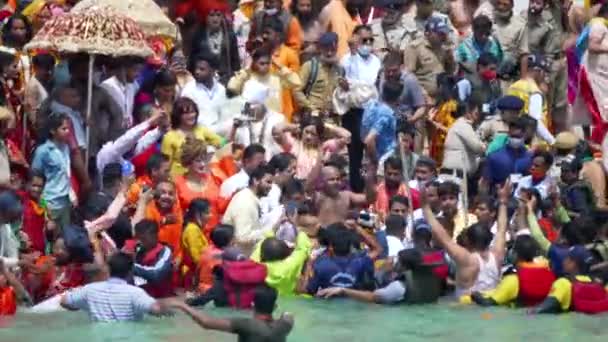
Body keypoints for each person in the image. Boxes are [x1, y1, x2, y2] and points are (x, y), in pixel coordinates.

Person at [423, 181, 510, 300]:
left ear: (468, 241)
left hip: (466, 310)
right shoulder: (497, 255)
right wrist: (503, 202)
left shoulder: (466, 260)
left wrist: (425, 208)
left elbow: (444, 238)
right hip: (490, 309)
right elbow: (501, 229)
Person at [60, 252, 171, 321]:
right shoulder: (136, 293)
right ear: (130, 272)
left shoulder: (90, 290)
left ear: (109, 269)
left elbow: (64, 301)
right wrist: (178, 305)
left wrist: (83, 305)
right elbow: (157, 309)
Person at [317, 248, 442, 304]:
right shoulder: (431, 279)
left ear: (404, 266)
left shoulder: (399, 287)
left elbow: (372, 297)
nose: (395, 261)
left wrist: (343, 290)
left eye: (398, 260)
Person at [167, 285, 294, 341]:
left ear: (253, 304)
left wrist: (182, 305)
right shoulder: (283, 326)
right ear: (275, 306)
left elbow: (205, 322)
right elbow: (288, 315)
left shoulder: (246, 325)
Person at [471, 235, 556, 307]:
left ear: (515, 254)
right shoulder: (551, 276)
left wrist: (475, 295)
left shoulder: (513, 280)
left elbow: (488, 303)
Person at [529, 245, 608, 314]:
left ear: (573, 264)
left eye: (566, 258)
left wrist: (529, 312)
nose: (563, 261)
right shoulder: (600, 284)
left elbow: (544, 308)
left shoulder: (563, 283)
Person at [305, 222, 380, 293]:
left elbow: (308, 290)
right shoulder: (361, 262)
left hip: (328, 304)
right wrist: (357, 228)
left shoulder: (320, 265)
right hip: (354, 304)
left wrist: (308, 265)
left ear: (331, 247)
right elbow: (377, 249)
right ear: (350, 245)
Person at [228, 47, 301, 119]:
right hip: (251, 120)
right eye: (262, 63)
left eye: (268, 63)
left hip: (274, 121)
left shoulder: (276, 78)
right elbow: (232, 87)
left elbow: (296, 82)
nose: (265, 66)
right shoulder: (247, 78)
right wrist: (246, 69)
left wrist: (281, 66)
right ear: (254, 63)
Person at [307, 155, 377, 226]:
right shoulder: (318, 197)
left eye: (338, 179)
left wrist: (369, 179)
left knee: (374, 221)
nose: (336, 182)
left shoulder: (346, 195)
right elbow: (309, 186)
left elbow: (370, 199)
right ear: (323, 182)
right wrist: (319, 161)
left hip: (344, 233)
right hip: (324, 235)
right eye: (332, 179)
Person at [161, 97, 223, 176]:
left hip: (201, 173)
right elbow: (165, 165)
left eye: (193, 112)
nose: (191, 116)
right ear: (178, 116)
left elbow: (221, 142)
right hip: (179, 178)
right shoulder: (169, 137)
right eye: (186, 113)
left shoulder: (201, 129)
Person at [250, 217, 313, 295]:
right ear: (285, 255)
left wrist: (276, 225)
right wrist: (296, 227)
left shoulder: (254, 265)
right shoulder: (289, 266)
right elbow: (302, 248)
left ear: (261, 254)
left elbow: (263, 241)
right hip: (288, 302)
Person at [31, 113, 73, 228]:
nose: (67, 131)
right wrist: (42, 202)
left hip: (65, 201)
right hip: (50, 201)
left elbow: (66, 174)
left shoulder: (66, 148)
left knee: (64, 238)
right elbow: (35, 178)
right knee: (48, 235)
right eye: (63, 129)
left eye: (68, 128)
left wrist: (72, 194)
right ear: (53, 131)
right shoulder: (43, 151)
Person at [222, 165, 274, 255]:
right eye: (268, 182)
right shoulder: (244, 201)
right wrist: (267, 232)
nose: (270, 186)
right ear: (255, 181)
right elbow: (242, 237)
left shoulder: (249, 198)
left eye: (271, 183)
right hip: (236, 260)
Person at [279, 114, 350, 180]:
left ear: (319, 135)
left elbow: (347, 136)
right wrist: (298, 126)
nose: (308, 137)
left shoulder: (324, 147)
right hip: (295, 186)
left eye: (313, 134)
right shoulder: (293, 144)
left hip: (315, 188)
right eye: (306, 132)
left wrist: (324, 126)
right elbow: (277, 130)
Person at [507, 53, 555, 145]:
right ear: (538, 71)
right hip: (532, 143)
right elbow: (536, 122)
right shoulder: (534, 91)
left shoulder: (514, 86)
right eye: (544, 72)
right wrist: (551, 141)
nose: (544, 76)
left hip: (514, 138)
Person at [230, 80, 286, 158]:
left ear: (261, 104)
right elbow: (229, 146)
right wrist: (234, 127)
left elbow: (283, 148)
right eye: (247, 104)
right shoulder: (239, 120)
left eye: (252, 105)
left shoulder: (277, 119)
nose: (249, 108)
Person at [403, 16, 455, 100]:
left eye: (444, 34)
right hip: (422, 99)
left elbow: (450, 71)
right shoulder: (415, 47)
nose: (443, 36)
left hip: (441, 97)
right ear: (428, 33)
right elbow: (409, 76)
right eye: (440, 34)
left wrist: (450, 58)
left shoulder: (443, 47)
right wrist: (425, 95)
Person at [293, 32, 343, 116]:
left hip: (333, 118)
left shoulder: (340, 70)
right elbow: (297, 90)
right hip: (312, 117)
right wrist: (311, 107)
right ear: (320, 49)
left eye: (332, 50)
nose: (329, 53)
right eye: (326, 50)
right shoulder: (310, 66)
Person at [190, 4, 241, 85]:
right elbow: (192, 60)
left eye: (218, 15)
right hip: (204, 80)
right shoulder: (198, 35)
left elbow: (235, 61)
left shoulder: (229, 35)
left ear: (222, 17)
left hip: (226, 80)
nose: (215, 18)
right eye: (211, 15)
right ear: (205, 17)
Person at [180, 52, 228, 134]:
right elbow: (185, 118)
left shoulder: (221, 89)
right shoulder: (189, 89)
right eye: (196, 69)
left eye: (202, 69)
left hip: (219, 129)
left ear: (213, 71)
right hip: (198, 131)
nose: (197, 72)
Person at [440, 98, 485, 183]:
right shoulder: (463, 125)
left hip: (457, 175)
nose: (478, 116)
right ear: (468, 112)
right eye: (476, 113)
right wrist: (486, 146)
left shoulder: (459, 125)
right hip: (455, 176)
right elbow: (477, 147)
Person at [482, 117, 533, 189]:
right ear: (508, 134)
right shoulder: (494, 158)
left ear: (524, 135)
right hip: (499, 197)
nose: (515, 139)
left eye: (518, 136)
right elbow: (485, 183)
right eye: (513, 136)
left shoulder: (531, 158)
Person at [128, 220, 174, 299]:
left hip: (159, 300)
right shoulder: (137, 249)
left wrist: (129, 266)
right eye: (137, 238)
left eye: (143, 238)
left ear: (154, 236)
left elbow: (156, 274)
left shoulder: (164, 251)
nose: (139, 241)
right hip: (139, 298)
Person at [144, 180, 183, 261]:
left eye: (170, 194)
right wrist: (163, 221)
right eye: (163, 193)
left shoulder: (177, 210)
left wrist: (179, 256)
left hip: (174, 260)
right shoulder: (148, 208)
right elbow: (146, 231)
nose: (167, 196)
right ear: (156, 195)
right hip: (153, 261)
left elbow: (180, 238)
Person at [361, 81, 398, 163]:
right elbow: (369, 139)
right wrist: (375, 160)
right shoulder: (387, 113)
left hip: (368, 154)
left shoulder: (371, 105)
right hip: (383, 156)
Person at [100, 57, 142, 129]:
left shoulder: (133, 86)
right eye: (135, 70)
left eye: (139, 71)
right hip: (112, 132)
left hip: (127, 131)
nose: (138, 74)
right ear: (124, 69)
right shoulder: (107, 86)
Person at [181, 199, 211, 290]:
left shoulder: (195, 228)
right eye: (207, 213)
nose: (210, 216)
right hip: (193, 275)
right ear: (197, 214)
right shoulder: (192, 230)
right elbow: (197, 258)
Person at [18, 170, 47, 254]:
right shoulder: (20, 199)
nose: (36, 189)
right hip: (23, 250)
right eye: (33, 185)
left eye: (40, 186)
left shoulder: (43, 203)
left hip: (40, 251)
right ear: (27, 184)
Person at [24, 52, 54, 127]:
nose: (49, 72)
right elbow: (32, 113)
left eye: (51, 68)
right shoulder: (32, 86)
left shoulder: (48, 82)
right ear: (36, 68)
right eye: (46, 68)